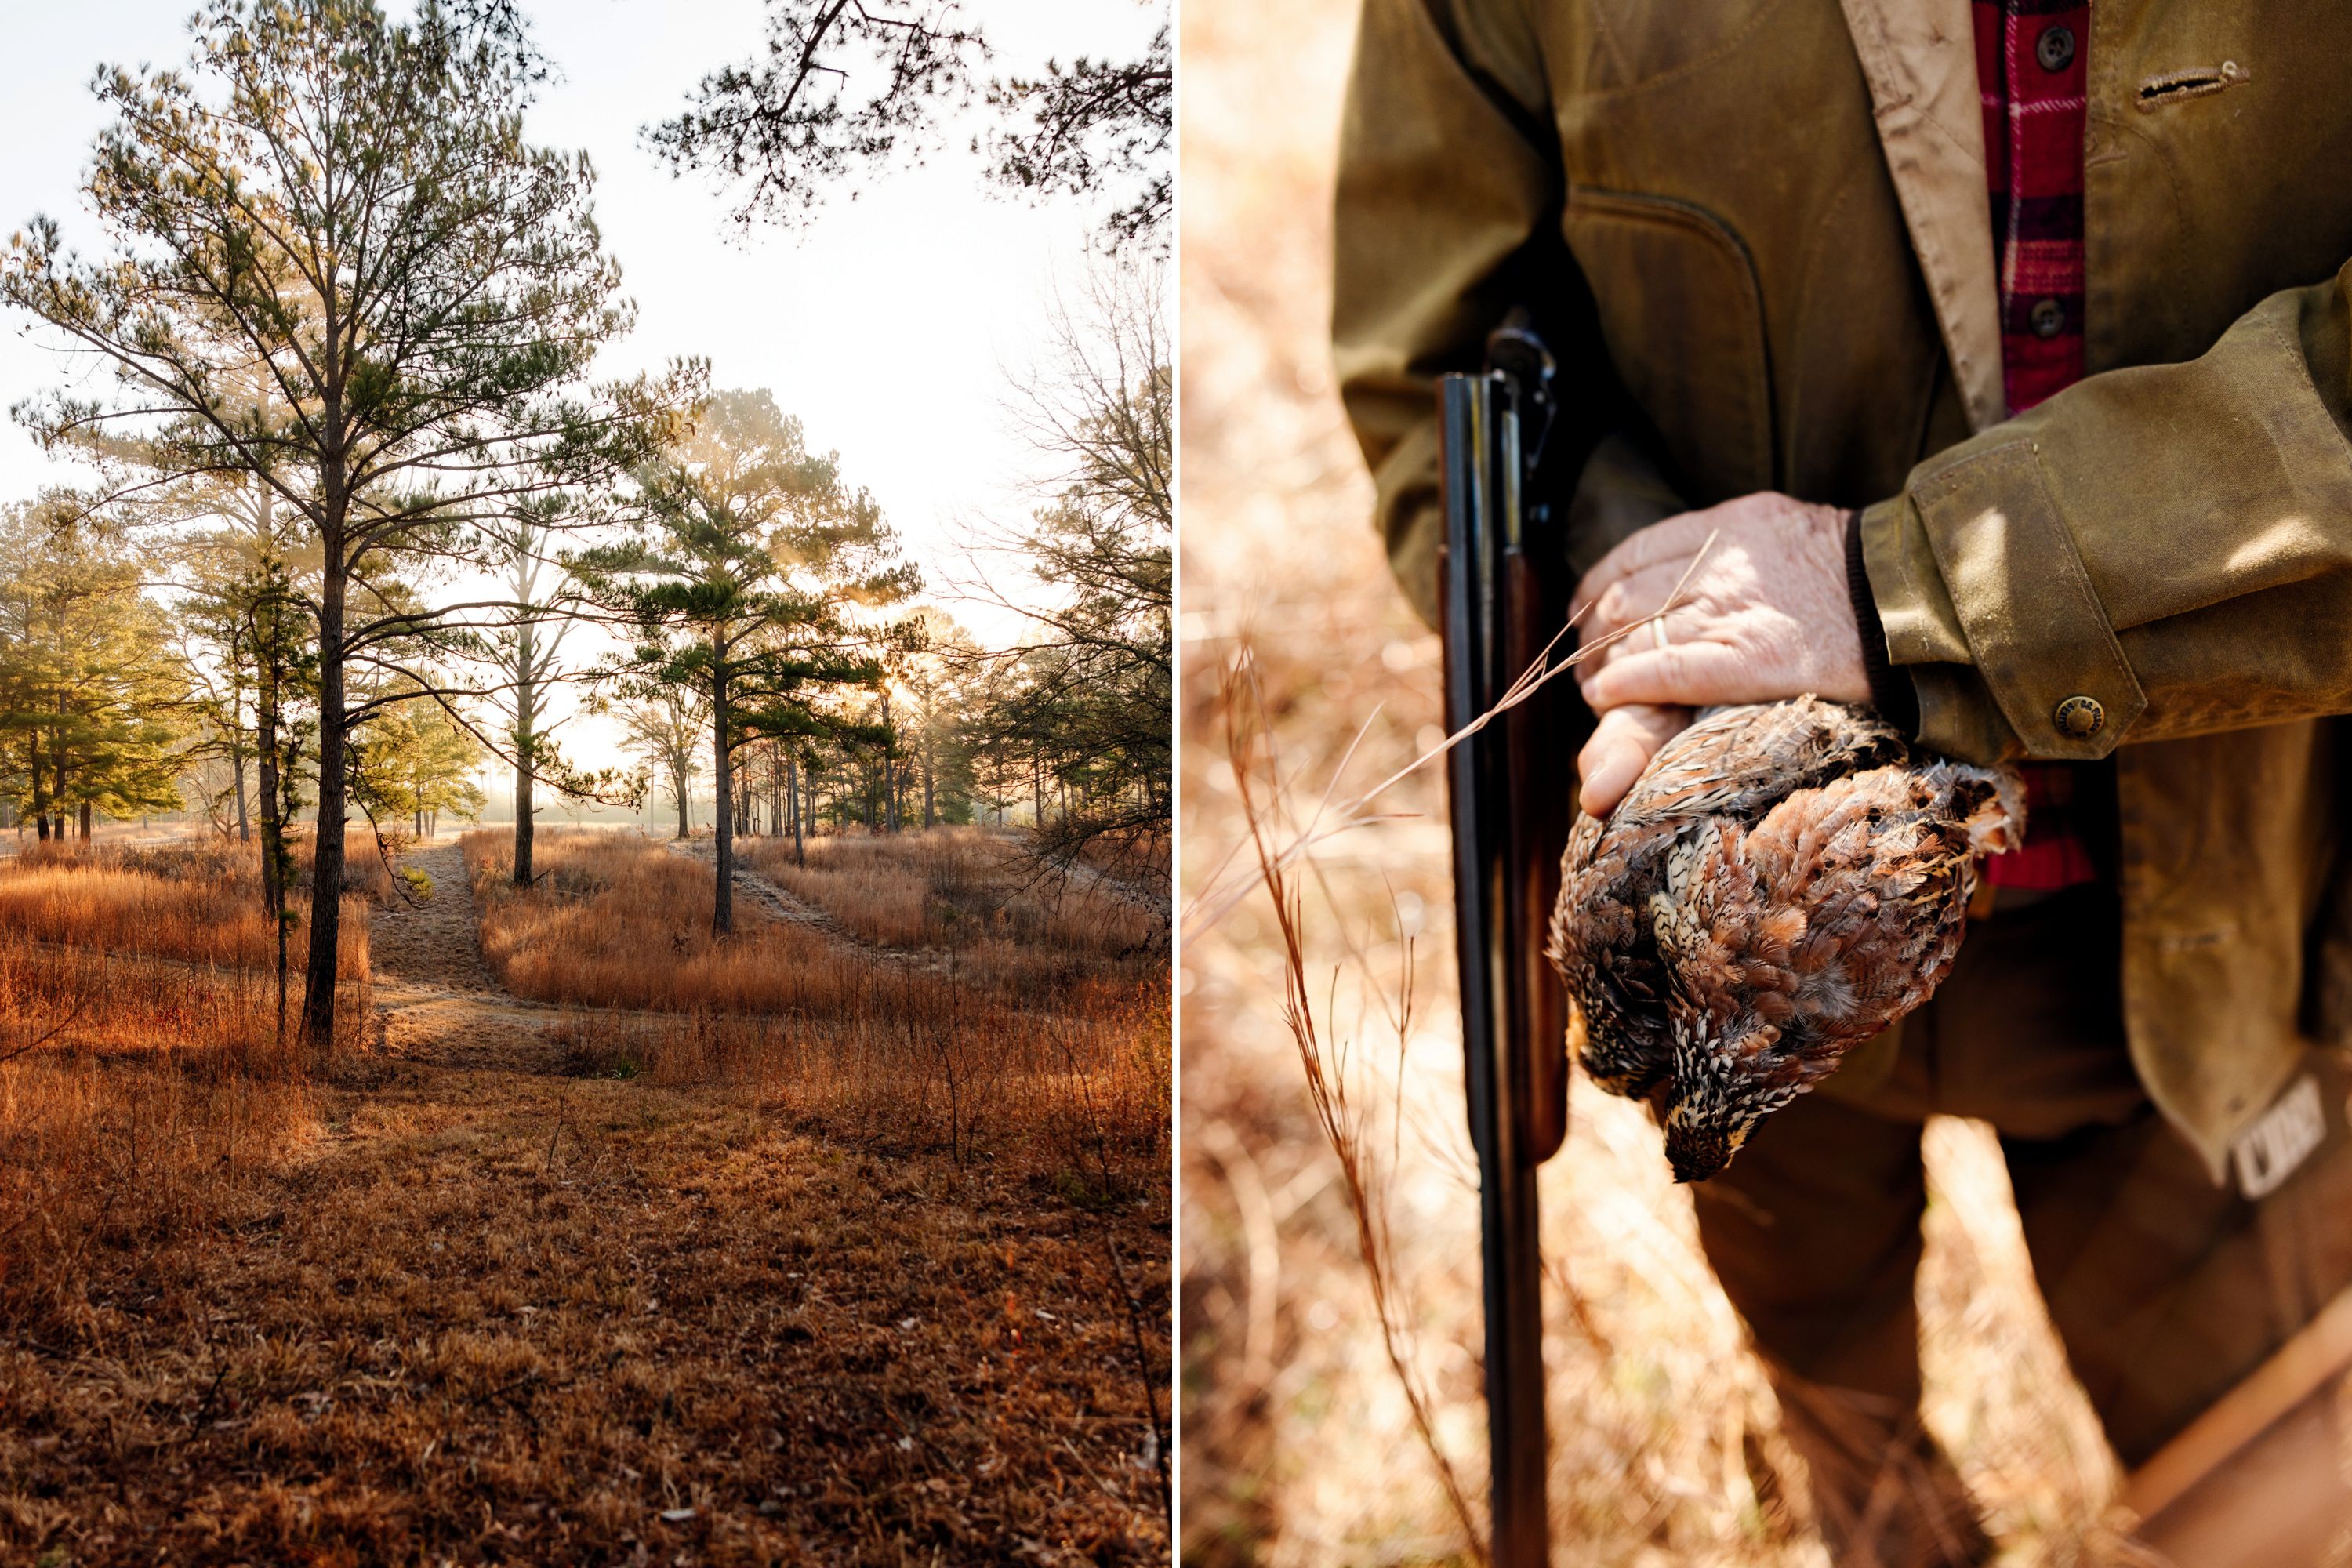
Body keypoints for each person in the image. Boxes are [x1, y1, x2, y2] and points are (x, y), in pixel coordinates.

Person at [1332, 1, 2352, 1561]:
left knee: (2272, 1492)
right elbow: (1443, 351)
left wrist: (1896, 592)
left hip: (2231, 911)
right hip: (1732, 955)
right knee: (1847, 1429)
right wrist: (1662, 638)